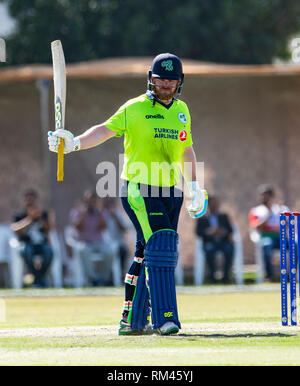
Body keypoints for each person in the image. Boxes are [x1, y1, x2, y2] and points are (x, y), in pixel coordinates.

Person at [48, 53, 208, 335]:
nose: (166, 86)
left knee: (147, 252)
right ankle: (165, 318)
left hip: (171, 190)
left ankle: (131, 320)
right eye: (161, 81)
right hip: (139, 188)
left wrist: (194, 185)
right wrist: (73, 143)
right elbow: (103, 131)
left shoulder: (182, 110)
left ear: (180, 82)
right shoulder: (134, 108)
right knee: (161, 244)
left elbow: (186, 149)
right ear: (150, 79)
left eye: (172, 81)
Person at [70, 190, 115, 286]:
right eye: (88, 201)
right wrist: (84, 214)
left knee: (109, 252)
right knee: (83, 251)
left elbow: (104, 226)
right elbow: (77, 226)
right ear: (85, 201)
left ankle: (103, 279)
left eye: (93, 201)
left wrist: (98, 212)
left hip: (98, 242)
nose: (90, 203)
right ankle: (92, 279)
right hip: (84, 242)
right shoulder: (78, 212)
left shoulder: (100, 212)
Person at [11, 189, 54, 287]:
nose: (30, 201)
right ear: (24, 200)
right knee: (27, 252)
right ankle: (39, 279)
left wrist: (40, 219)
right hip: (26, 244)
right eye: (28, 199)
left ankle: (38, 279)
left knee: (49, 253)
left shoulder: (42, 214)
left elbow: (48, 229)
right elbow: (15, 230)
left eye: (32, 199)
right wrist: (29, 219)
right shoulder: (19, 215)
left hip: (41, 244)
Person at [248, 184, 288, 282]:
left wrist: (280, 212)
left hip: (281, 238)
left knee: (295, 245)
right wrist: (269, 214)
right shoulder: (256, 210)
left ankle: (291, 274)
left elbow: (288, 225)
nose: (264, 197)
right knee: (267, 245)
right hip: (266, 237)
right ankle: (270, 276)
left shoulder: (281, 208)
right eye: (262, 195)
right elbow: (257, 227)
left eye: (266, 195)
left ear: (272, 196)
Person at [196, 195, 234, 284]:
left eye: (216, 202)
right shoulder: (202, 218)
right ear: (208, 204)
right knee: (209, 251)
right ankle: (212, 277)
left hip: (223, 242)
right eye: (212, 202)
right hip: (209, 242)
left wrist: (222, 231)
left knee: (229, 249)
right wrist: (210, 232)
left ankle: (226, 277)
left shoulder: (223, 216)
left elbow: (230, 230)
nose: (215, 205)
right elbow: (198, 232)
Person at [102, 197, 131, 277]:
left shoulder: (118, 214)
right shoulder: (102, 215)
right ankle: (108, 276)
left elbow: (124, 228)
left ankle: (120, 274)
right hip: (106, 243)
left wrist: (115, 217)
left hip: (119, 242)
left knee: (123, 251)